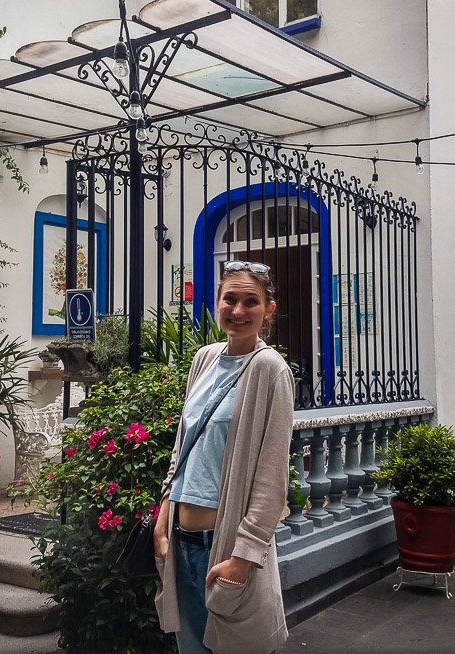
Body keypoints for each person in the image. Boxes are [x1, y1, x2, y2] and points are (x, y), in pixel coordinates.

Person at [153, 260, 294, 654]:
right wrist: (162, 518)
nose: (238, 310)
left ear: (268, 310)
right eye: (229, 299)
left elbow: (272, 479)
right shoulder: (205, 359)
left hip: (225, 546)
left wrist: (242, 558)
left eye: (251, 301)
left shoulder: (270, 369)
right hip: (180, 541)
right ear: (216, 302)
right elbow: (182, 448)